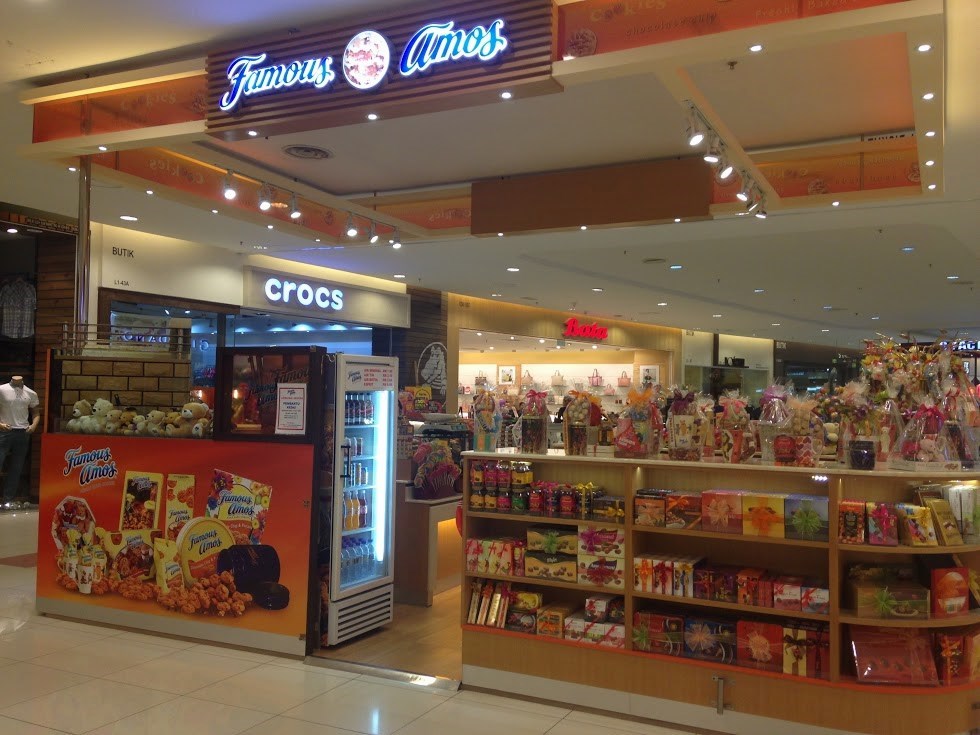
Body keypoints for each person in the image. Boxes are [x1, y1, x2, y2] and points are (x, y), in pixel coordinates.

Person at [0, 375, 40, 510]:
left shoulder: (31, 393)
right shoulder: (2, 389)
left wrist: (33, 426)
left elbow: (36, 412)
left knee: (16, 467)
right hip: (5, 431)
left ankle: (8, 500)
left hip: (23, 432)